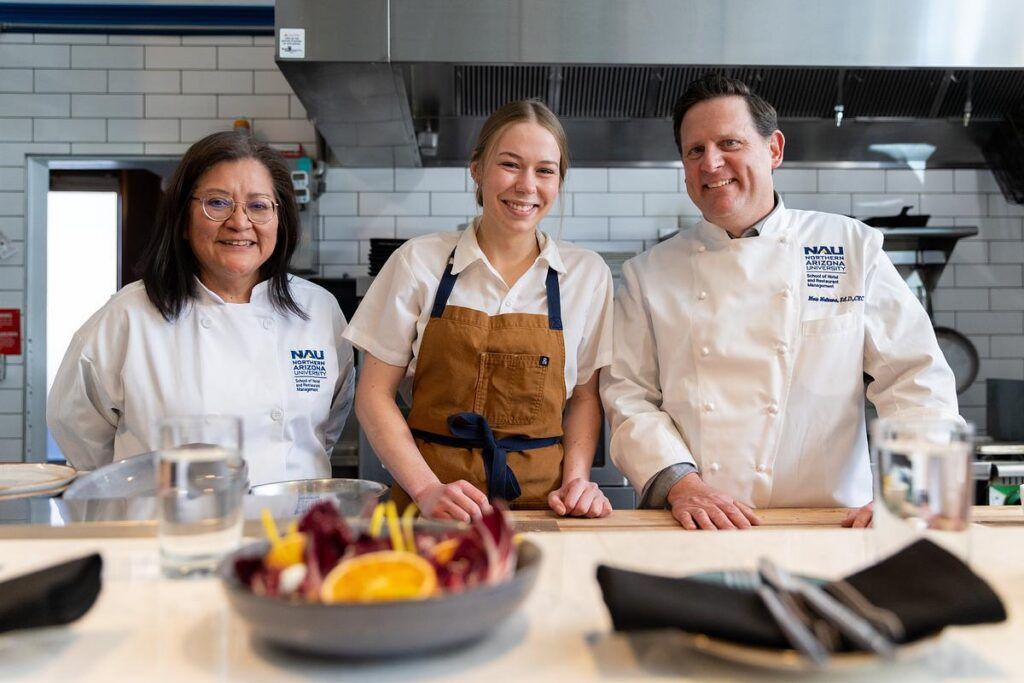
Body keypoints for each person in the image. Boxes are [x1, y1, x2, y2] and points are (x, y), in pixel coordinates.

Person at [600, 74, 960, 530]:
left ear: (774, 149)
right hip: (697, 526)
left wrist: (911, 493)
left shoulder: (851, 246)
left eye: (729, 143)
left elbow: (914, 376)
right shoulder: (649, 273)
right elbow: (629, 397)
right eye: (695, 150)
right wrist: (683, 486)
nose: (711, 163)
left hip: (832, 527)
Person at [344, 100, 613, 521]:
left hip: (542, 509)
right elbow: (373, 394)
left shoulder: (587, 274)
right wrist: (426, 489)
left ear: (559, 181)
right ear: (477, 169)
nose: (527, 185)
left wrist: (576, 481)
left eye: (545, 170)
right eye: (510, 164)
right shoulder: (418, 262)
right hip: (431, 509)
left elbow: (584, 397)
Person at [48, 131, 355, 486]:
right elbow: (77, 428)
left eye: (258, 206)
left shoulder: (319, 310)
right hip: (167, 517)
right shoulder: (128, 316)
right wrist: (133, 492)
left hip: (291, 519)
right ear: (182, 219)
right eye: (218, 203)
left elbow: (326, 429)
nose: (239, 222)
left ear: (280, 220)